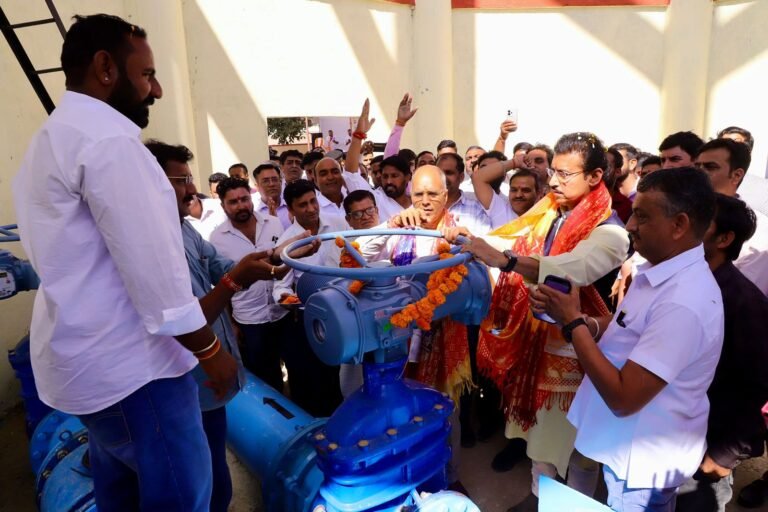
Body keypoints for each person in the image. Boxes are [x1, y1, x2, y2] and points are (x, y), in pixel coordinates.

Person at [12, 14, 238, 510]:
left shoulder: (52, 138)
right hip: (139, 371)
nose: (156, 90)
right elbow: (157, 281)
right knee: (181, 498)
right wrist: (211, 352)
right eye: (148, 75)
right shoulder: (110, 144)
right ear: (105, 68)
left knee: (119, 493)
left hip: (91, 369)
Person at [444, 132, 629, 511]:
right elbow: (511, 239)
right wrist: (474, 240)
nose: (554, 181)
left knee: (580, 452)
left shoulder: (610, 230)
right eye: (554, 172)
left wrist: (508, 261)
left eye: (565, 174)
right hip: (538, 345)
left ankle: (573, 505)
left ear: (595, 176)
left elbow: (575, 266)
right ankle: (541, 498)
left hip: (583, 355)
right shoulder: (549, 211)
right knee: (541, 444)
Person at [532, 167, 723, 512]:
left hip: (640, 466)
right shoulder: (662, 271)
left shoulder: (683, 302)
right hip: (623, 444)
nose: (630, 225)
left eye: (642, 217)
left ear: (679, 225)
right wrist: (589, 323)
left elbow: (623, 398)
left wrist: (572, 322)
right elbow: (628, 322)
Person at [145, 140, 316, 512]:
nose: (192, 190)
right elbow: (186, 318)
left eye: (189, 179)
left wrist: (277, 258)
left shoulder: (184, 229)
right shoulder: (146, 242)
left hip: (212, 377)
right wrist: (235, 282)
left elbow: (221, 268)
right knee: (193, 478)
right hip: (184, 378)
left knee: (215, 470)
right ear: (150, 181)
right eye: (181, 180)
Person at [676, 194, 768, 512]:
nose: (682, 225)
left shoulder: (745, 304)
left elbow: (757, 386)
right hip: (669, 437)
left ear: (724, 239)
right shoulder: (679, 281)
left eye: (700, 220)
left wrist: (723, 456)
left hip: (706, 451)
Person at [209, 178, 291, 395]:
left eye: (244, 199)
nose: (241, 205)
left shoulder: (273, 223)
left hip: (283, 312)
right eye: (233, 202)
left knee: (298, 371)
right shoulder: (217, 239)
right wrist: (231, 324)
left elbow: (285, 262)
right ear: (223, 206)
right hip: (250, 321)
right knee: (266, 382)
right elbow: (222, 284)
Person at [273, 179, 347, 416]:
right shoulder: (288, 242)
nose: (311, 208)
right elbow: (280, 286)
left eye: (313, 201)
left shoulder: (338, 223)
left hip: (344, 314)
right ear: (291, 210)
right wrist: (287, 299)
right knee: (312, 383)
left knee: (341, 377)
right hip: (310, 320)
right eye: (303, 205)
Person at [695, 137, 768, 295]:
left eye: (710, 167)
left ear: (736, 175)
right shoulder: (681, 212)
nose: (699, 173)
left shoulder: (760, 233)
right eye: (697, 166)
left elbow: (743, 294)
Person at [437, 152, 491, 236]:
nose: (443, 177)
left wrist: (467, 237)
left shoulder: (477, 210)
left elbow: (486, 242)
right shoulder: (425, 206)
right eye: (439, 173)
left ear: (461, 177)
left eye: (449, 173)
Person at [471, 150, 517, 229]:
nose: (488, 173)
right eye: (484, 168)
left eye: (493, 168)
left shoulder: (510, 204)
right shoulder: (467, 199)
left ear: (504, 175)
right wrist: (516, 162)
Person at [252, 162, 292, 230]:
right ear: (257, 186)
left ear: (280, 182)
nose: (271, 184)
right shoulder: (254, 212)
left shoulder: (292, 206)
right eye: (266, 181)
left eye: (274, 180)